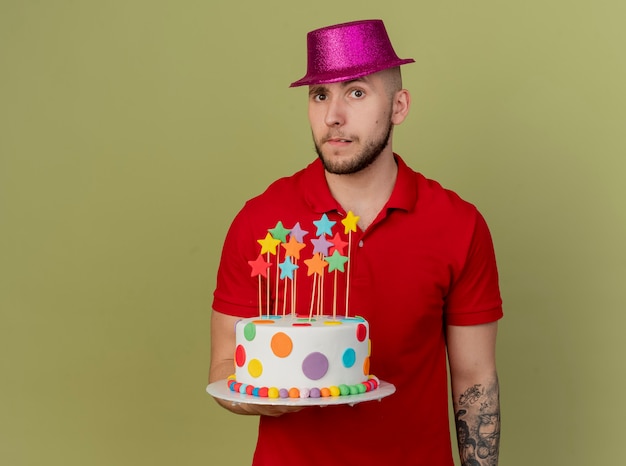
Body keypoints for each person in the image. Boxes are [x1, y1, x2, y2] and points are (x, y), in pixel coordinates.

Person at [209, 19, 502, 466]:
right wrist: (271, 396)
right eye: (320, 95)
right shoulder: (260, 220)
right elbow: (224, 367)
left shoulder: (458, 224)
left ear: (399, 106)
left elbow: (475, 378)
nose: (333, 116)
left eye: (357, 92)